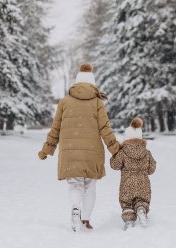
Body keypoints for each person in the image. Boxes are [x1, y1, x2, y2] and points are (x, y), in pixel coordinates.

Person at [38, 62, 120, 232]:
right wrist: (115, 149)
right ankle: (85, 220)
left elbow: (56, 129)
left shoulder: (64, 102)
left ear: (76, 82)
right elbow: (105, 128)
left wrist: (46, 150)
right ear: (92, 83)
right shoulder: (97, 102)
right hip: (92, 153)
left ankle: (75, 207)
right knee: (90, 186)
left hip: (69, 152)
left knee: (75, 185)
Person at [110, 117, 157, 230]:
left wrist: (114, 155)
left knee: (127, 203)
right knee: (142, 200)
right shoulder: (146, 152)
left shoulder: (123, 152)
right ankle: (141, 208)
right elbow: (151, 169)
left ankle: (129, 220)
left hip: (127, 183)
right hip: (143, 183)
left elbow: (115, 165)